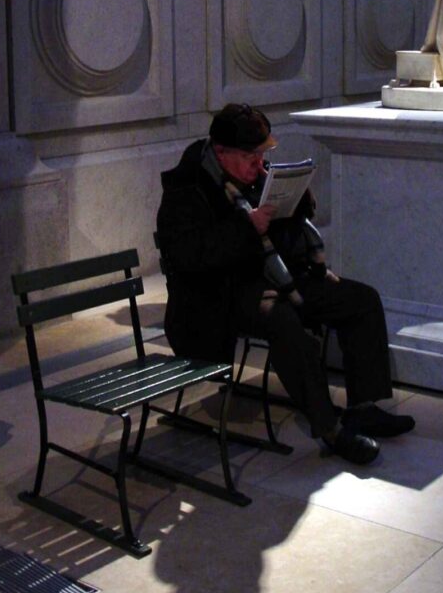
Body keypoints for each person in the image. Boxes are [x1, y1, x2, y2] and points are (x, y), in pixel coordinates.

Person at [156, 103, 415, 465]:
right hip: (215, 297)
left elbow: (279, 240)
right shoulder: (187, 189)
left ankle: (363, 406)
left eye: (263, 156)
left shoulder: (253, 178)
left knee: (361, 300)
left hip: (274, 276)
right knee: (282, 320)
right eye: (251, 156)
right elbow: (188, 258)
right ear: (220, 152)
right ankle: (331, 429)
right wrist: (247, 229)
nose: (259, 165)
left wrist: (296, 205)